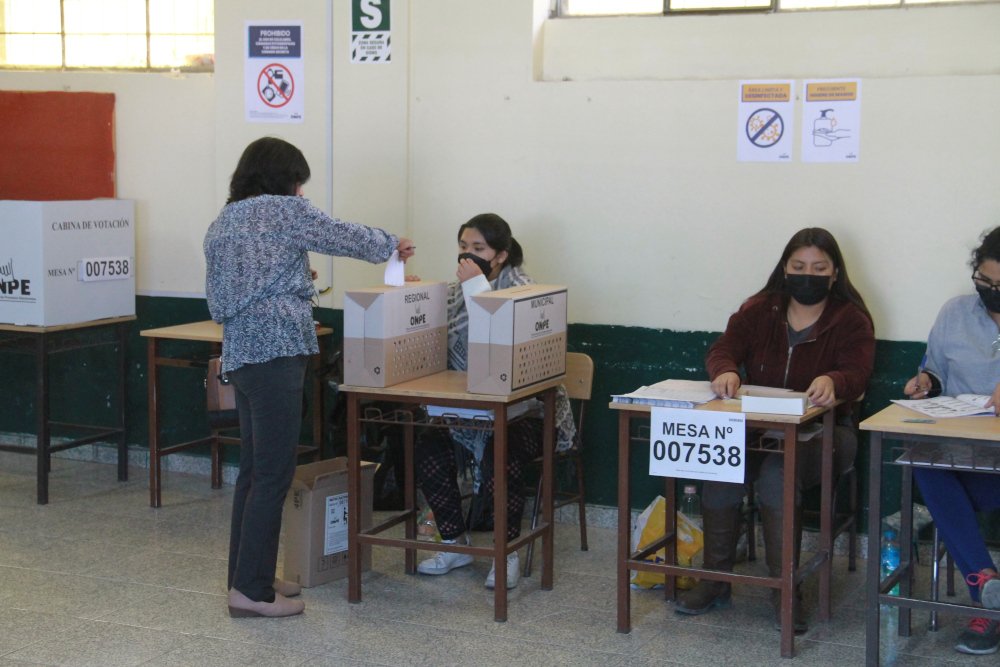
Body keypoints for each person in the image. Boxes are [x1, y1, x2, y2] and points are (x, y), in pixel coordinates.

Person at [204, 137, 414, 618]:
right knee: (274, 474)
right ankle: (252, 593)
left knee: (255, 472)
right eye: (298, 181)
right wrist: (391, 244)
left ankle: (246, 574)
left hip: (241, 352)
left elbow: (235, 289)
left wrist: (293, 276)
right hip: (277, 350)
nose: (301, 191)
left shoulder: (224, 220)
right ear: (284, 178)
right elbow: (340, 234)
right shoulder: (283, 210)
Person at [675, 227, 875, 633]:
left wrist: (835, 380)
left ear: (835, 272)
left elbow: (858, 371)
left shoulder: (850, 318)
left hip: (827, 432)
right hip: (759, 428)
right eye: (799, 266)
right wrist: (726, 370)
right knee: (720, 469)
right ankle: (715, 579)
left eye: (819, 268)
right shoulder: (760, 308)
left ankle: (785, 588)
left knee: (776, 476)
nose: (808, 275)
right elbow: (722, 348)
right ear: (784, 268)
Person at [413, 213, 576, 590]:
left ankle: (508, 551)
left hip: (530, 412)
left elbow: (503, 332)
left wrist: (477, 289)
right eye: (463, 248)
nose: (468, 256)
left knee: (502, 452)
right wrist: (415, 296)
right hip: (470, 410)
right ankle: (455, 542)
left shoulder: (525, 291)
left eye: (478, 249)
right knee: (429, 447)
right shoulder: (457, 291)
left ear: (500, 255)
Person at [904, 226, 1000, 655]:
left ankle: (988, 599)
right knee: (924, 460)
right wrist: (926, 381)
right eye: (985, 282)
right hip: (968, 457)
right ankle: (987, 588)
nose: (992, 292)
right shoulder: (955, 313)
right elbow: (936, 371)